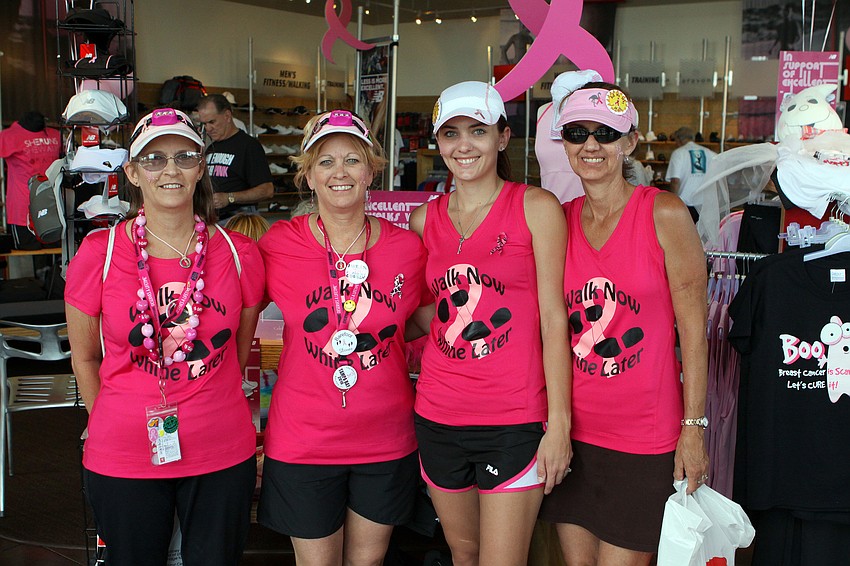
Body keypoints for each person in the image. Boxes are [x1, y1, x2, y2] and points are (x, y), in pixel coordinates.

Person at [64, 108, 265, 566]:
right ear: (132, 172)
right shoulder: (100, 252)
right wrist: (107, 419)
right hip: (124, 451)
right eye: (153, 158)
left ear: (200, 167)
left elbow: (236, 349)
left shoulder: (238, 253)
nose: (170, 169)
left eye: (184, 156)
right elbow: (84, 358)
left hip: (220, 449)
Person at [538, 79, 710, 565]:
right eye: (576, 132)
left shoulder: (665, 213)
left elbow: (695, 333)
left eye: (605, 133)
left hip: (645, 437)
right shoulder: (558, 218)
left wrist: (693, 428)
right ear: (563, 142)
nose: (590, 145)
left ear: (629, 141)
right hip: (572, 434)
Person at [408, 81, 572, 566]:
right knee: (465, 553)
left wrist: (559, 422)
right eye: (450, 133)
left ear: (502, 138)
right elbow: (428, 313)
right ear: (437, 143)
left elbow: (553, 319)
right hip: (437, 413)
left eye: (477, 132)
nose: (463, 145)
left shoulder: (535, 208)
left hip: (513, 418)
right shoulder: (424, 220)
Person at [257, 109, 428, 566]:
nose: (340, 173)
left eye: (351, 160)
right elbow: (234, 313)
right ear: (308, 176)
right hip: (303, 439)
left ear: (371, 170)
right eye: (325, 162)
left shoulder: (407, 248)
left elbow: (424, 319)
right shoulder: (278, 244)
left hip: (386, 436)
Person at [196, 94, 274, 220]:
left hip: (239, 218)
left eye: (212, 122)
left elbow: (267, 190)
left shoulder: (249, 146)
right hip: (212, 218)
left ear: (227, 116)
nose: (208, 128)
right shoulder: (211, 148)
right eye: (204, 124)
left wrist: (230, 197)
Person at [0, 110, 61, 249]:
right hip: (51, 207)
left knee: (25, 249)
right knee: (53, 248)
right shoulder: (55, 136)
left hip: (22, 210)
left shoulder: (9, 137)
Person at [665, 125, 717, 222]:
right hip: (704, 204)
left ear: (679, 139)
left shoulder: (678, 153)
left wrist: (672, 204)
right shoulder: (709, 153)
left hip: (685, 204)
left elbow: (675, 181)